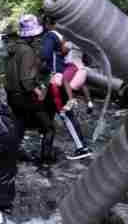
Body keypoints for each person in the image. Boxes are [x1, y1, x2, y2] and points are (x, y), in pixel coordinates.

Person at [5, 14, 58, 164]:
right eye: (36, 35)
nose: (37, 38)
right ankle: (46, 160)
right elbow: (26, 80)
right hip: (24, 97)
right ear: (32, 35)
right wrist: (38, 91)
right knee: (49, 128)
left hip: (12, 96)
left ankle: (13, 155)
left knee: (19, 126)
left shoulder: (13, 48)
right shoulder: (27, 51)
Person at [40, 15, 93, 159]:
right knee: (48, 114)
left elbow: (44, 55)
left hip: (54, 79)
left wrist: (39, 65)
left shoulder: (51, 35)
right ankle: (46, 152)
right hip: (62, 77)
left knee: (63, 114)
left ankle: (82, 147)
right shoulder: (66, 37)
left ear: (47, 23)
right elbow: (85, 58)